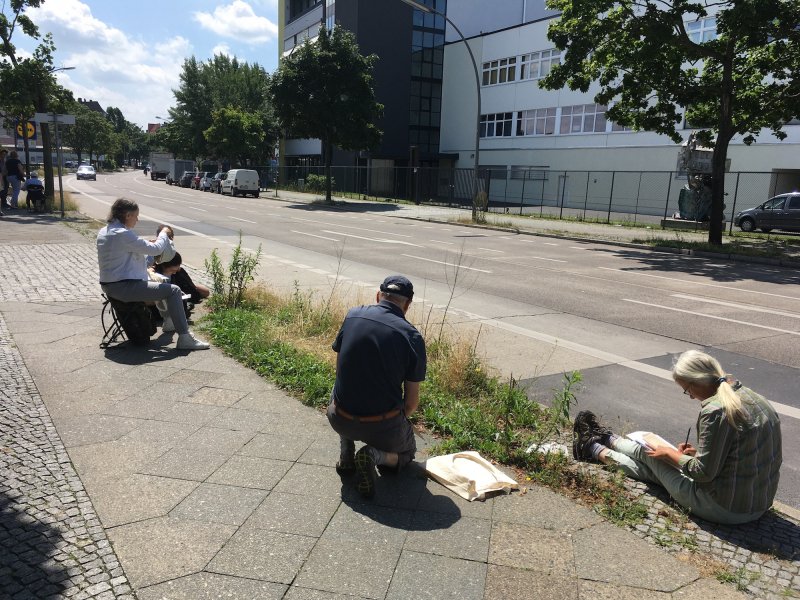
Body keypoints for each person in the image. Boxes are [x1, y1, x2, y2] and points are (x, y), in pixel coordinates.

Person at [573, 350, 782, 525]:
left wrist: (670, 454)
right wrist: (694, 455)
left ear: (697, 382)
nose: (690, 396)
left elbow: (703, 474)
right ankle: (598, 444)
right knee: (657, 472)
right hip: (758, 503)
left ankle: (598, 443)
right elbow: (740, 454)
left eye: (687, 389)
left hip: (723, 507)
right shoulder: (754, 398)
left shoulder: (715, 410)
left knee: (651, 455)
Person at [327, 275, 427, 498]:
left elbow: (340, 371)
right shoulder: (412, 337)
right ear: (407, 305)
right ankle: (373, 455)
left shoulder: (352, 315)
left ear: (378, 295)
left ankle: (346, 457)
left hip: (339, 418)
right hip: (383, 428)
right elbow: (411, 404)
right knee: (408, 451)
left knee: (342, 386)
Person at [96, 198, 209, 351]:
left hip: (113, 285)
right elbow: (156, 249)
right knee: (174, 290)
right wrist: (163, 233)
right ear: (128, 215)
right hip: (123, 287)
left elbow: (129, 251)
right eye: (136, 215)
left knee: (159, 281)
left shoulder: (106, 230)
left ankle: (169, 323)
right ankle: (185, 337)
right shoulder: (122, 233)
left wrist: (147, 247)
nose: (137, 219)